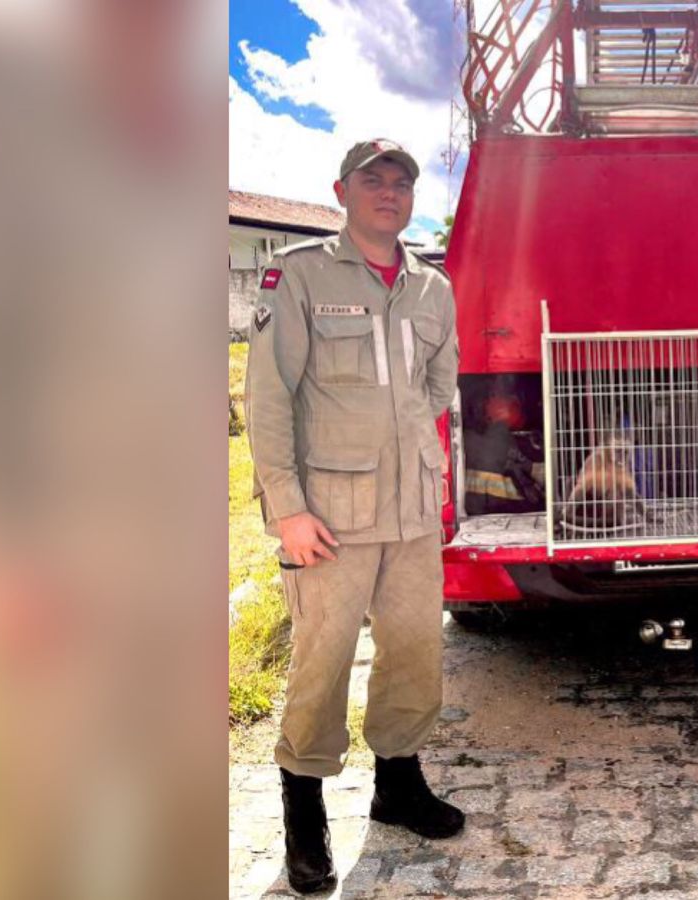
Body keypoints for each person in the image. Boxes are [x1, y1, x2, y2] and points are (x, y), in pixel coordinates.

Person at [245, 139, 463, 894]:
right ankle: (304, 815)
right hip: (329, 519)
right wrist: (288, 510)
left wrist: (412, 462)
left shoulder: (433, 288)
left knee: (412, 656)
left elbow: (438, 389)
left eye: (401, 182)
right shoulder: (301, 275)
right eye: (373, 180)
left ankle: (397, 786)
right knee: (323, 663)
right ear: (343, 190)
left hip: (410, 513)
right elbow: (270, 397)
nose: (389, 192)